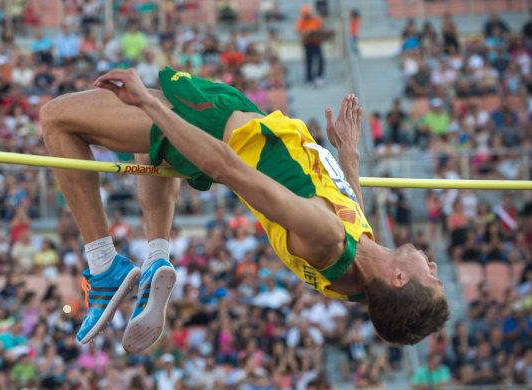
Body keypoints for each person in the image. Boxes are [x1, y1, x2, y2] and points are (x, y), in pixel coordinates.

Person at [40, 67, 450, 353]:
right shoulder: (361, 276)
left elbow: (226, 168)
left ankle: (103, 266)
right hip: (245, 118)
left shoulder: (326, 238)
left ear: (397, 278)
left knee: (56, 118)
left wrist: (149, 104)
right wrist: (349, 155)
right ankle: (156, 258)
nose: (433, 266)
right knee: (150, 150)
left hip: (215, 129)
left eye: (430, 278)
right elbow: (352, 215)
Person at [295, 5, 325, 86]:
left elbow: (320, 29)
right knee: (309, 62)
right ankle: (309, 80)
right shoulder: (301, 21)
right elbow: (299, 32)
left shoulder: (315, 20)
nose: (306, 16)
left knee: (321, 60)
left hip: (316, 43)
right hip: (307, 44)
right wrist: (305, 33)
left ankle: (319, 77)